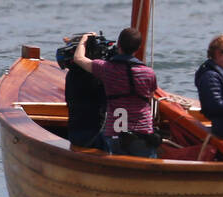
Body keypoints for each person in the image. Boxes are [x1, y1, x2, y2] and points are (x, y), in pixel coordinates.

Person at [73, 28, 160, 157]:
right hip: (142, 134)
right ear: (138, 48)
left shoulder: (106, 68)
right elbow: (151, 96)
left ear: (118, 44)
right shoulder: (149, 73)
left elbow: (78, 58)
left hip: (115, 134)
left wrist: (84, 40)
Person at [62, 35, 107, 150]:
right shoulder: (99, 76)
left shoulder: (71, 75)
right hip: (95, 138)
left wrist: (83, 40)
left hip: (75, 136)